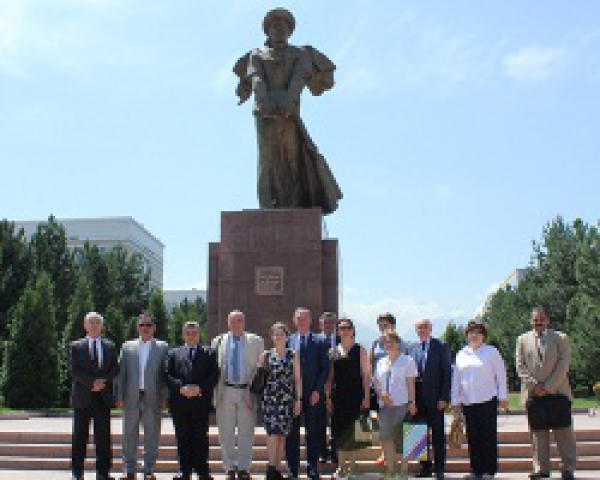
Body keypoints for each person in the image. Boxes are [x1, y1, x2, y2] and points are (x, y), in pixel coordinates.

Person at [233, 8, 342, 214]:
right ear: (267, 30)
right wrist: (264, 102)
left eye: (283, 26)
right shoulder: (256, 55)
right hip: (264, 113)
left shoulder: (299, 54)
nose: (279, 29)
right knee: (267, 160)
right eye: (274, 26)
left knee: (291, 159)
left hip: (289, 113)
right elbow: (256, 77)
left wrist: (288, 102)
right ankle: (266, 206)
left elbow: (299, 79)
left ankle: (292, 206)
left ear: (290, 31)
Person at [516, 307, 577, 480]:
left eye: (542, 319)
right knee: (538, 434)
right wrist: (534, 386)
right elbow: (520, 366)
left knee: (564, 432)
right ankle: (541, 468)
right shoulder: (522, 340)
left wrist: (548, 386)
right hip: (534, 395)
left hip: (557, 392)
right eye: (535, 319)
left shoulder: (561, 338)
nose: (538, 322)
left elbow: (564, 364)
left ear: (548, 320)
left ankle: (568, 468)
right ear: (531, 321)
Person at [451, 321, 508, 480]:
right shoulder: (461, 354)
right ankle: (476, 470)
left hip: (487, 400)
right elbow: (456, 379)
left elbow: (501, 375)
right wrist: (455, 401)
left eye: (478, 332)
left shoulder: (491, 352)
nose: (474, 335)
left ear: (484, 335)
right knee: (473, 437)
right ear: (467, 335)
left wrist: (503, 396)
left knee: (488, 436)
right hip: (468, 402)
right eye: (471, 332)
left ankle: (489, 471)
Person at [212, 311, 265, 480]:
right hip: (225, 390)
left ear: (244, 322)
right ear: (228, 323)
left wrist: (253, 391)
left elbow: (260, 370)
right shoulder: (218, 341)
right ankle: (229, 468)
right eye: (233, 321)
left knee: (246, 431)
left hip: (247, 392)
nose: (236, 324)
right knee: (225, 432)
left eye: (240, 321)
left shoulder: (256, 341)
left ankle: (243, 468)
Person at [115, 314, 169, 480]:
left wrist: (165, 397)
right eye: (142, 325)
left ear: (153, 327)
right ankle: (129, 469)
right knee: (129, 434)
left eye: (149, 325)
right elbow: (120, 374)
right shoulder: (127, 347)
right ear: (137, 327)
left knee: (152, 434)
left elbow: (165, 375)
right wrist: (119, 395)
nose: (145, 328)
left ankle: (148, 469)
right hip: (132, 396)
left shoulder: (162, 347)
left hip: (153, 396)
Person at [165, 321, 219, 480]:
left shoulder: (209, 353)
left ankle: (202, 471)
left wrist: (198, 388)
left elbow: (214, 375)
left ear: (199, 334)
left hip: (200, 403)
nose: (191, 336)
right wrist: (181, 388)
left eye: (194, 333)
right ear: (183, 335)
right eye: (187, 333)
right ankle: (184, 470)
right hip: (179, 403)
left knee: (200, 438)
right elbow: (167, 374)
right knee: (182, 437)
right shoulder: (173, 353)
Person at [69, 311, 119, 480]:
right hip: (82, 397)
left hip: (103, 398)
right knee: (79, 437)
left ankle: (103, 472)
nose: (94, 325)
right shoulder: (76, 346)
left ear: (102, 327)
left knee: (103, 437)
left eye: (97, 323)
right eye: (91, 322)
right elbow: (74, 370)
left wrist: (102, 381)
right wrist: (91, 383)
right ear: (85, 326)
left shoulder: (110, 346)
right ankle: (77, 472)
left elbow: (115, 369)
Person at [285, 308, 329, 480]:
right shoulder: (288, 341)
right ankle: (292, 469)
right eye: (298, 318)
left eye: (305, 318)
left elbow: (325, 369)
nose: (301, 321)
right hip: (293, 395)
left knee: (313, 432)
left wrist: (318, 390)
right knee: (291, 434)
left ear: (311, 320)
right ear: (294, 321)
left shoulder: (320, 341)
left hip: (313, 395)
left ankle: (312, 466)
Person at [325, 318, 371, 479]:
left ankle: (353, 466)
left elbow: (365, 375)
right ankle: (341, 467)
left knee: (354, 432)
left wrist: (366, 397)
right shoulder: (333, 351)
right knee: (339, 432)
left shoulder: (360, 350)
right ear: (338, 332)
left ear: (353, 330)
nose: (344, 331)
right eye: (341, 328)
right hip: (338, 397)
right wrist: (328, 397)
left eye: (347, 328)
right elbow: (330, 377)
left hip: (355, 395)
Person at [409, 319, 451, 479]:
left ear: (430, 328)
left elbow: (447, 373)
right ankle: (425, 468)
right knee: (418, 434)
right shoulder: (411, 348)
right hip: (417, 400)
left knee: (438, 435)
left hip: (435, 399)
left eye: (425, 327)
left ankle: (439, 469)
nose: (422, 330)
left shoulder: (441, 346)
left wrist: (444, 397)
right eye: (419, 328)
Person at [260, 322, 303, 480]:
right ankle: (271, 469)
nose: (278, 337)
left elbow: (298, 379)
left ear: (287, 337)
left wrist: (298, 400)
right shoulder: (266, 355)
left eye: (281, 334)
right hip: (270, 399)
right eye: (275, 334)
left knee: (281, 436)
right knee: (272, 435)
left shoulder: (293, 354)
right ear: (271, 337)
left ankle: (277, 469)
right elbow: (260, 378)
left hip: (286, 400)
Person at [374, 330, 418, 480]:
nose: (388, 344)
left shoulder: (408, 361)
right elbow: (377, 384)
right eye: (385, 342)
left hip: (402, 405)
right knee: (386, 439)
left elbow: (411, 384)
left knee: (404, 439)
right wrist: (381, 394)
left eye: (391, 341)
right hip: (385, 406)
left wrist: (412, 402)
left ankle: (404, 471)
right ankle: (391, 471)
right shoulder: (380, 362)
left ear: (398, 343)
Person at [369, 313, 396, 467]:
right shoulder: (375, 343)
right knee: (382, 424)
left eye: (385, 324)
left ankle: (393, 456)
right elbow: (371, 365)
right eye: (380, 324)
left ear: (392, 325)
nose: (383, 327)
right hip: (380, 390)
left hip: (396, 390)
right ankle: (384, 453)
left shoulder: (401, 343)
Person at [317, 312, 339, 466]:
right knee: (319, 422)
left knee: (336, 422)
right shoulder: (315, 340)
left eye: (332, 323)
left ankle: (335, 452)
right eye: (326, 323)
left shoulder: (341, 341)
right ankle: (322, 453)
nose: (328, 325)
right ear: (320, 324)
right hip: (318, 386)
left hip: (338, 388)